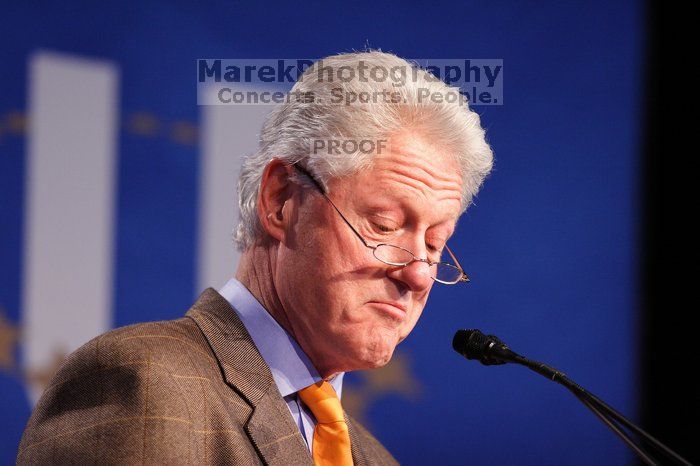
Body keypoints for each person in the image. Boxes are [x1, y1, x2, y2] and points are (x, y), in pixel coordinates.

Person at [17, 51, 493, 465]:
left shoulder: (375, 458)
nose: (417, 273)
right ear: (282, 202)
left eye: (434, 244)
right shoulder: (143, 385)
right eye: (384, 225)